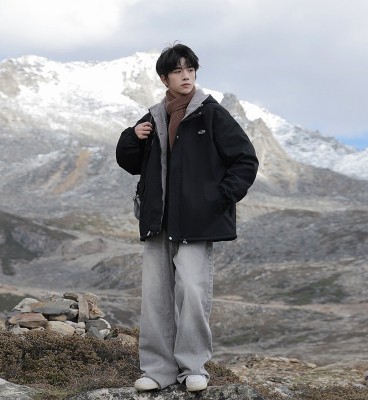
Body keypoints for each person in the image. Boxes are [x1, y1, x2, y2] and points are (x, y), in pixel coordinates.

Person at [116, 43, 258, 392]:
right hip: (158, 222)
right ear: (164, 78)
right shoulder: (153, 116)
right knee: (156, 299)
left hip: (197, 223)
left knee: (192, 293)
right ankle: (157, 371)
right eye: (178, 71)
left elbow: (245, 159)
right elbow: (130, 163)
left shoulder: (211, 114)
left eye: (190, 70)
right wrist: (132, 138)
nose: (186, 76)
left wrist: (218, 198)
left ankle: (193, 368)